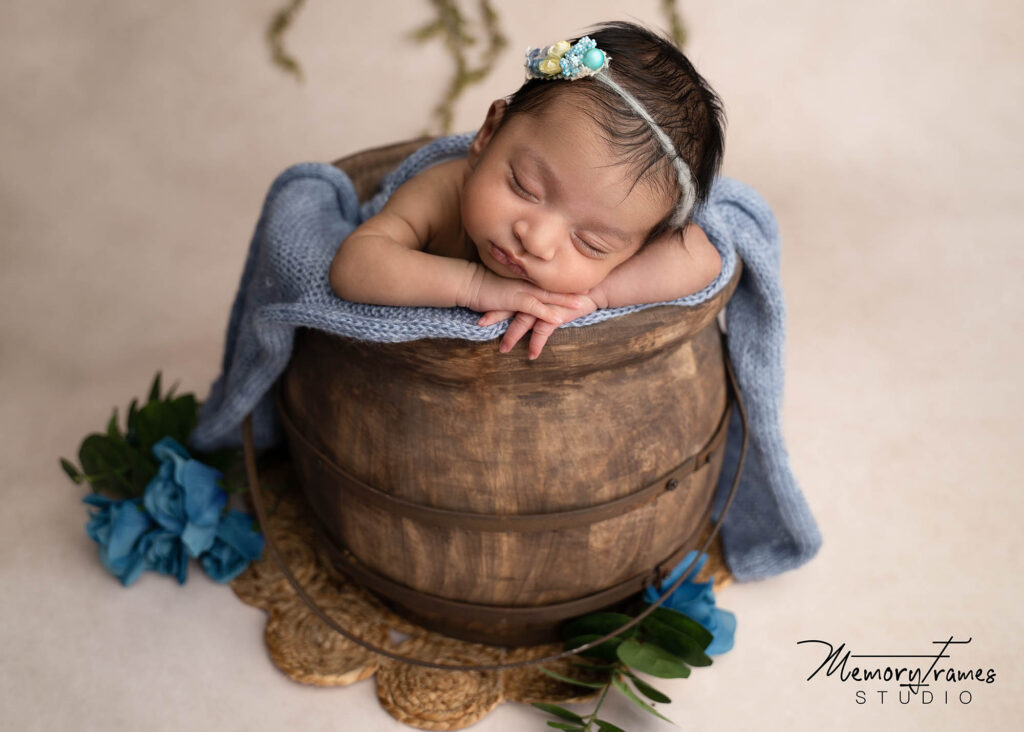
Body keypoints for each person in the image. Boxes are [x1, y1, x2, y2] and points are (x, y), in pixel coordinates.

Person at [330, 21, 726, 359]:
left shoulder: (626, 236)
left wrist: (592, 297)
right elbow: (355, 266)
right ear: (487, 134)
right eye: (525, 187)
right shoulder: (442, 192)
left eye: (591, 243)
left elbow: (700, 257)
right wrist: (474, 286)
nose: (535, 240)